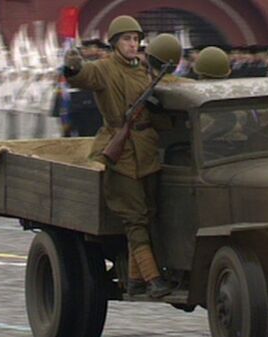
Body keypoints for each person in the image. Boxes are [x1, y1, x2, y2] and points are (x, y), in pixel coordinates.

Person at [64, 15, 173, 298]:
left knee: (148, 214)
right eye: (126, 39)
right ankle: (152, 279)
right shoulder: (104, 69)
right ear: (114, 43)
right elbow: (82, 77)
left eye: (136, 39)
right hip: (120, 151)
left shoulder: (146, 71)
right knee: (135, 218)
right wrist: (73, 66)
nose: (132, 44)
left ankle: (135, 280)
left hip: (146, 150)